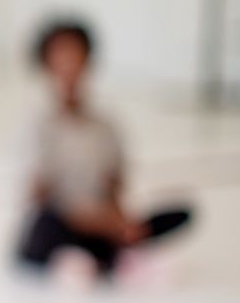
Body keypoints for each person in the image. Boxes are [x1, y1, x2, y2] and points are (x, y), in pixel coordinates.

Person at [16, 16, 192, 277]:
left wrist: (120, 220)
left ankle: (107, 253)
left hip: (104, 218)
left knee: (180, 213)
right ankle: (105, 256)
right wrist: (96, 221)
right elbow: (39, 197)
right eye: (60, 56)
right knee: (44, 228)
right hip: (66, 221)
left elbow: (114, 183)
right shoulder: (38, 124)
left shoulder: (105, 124)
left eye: (75, 55)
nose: (69, 65)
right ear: (47, 64)